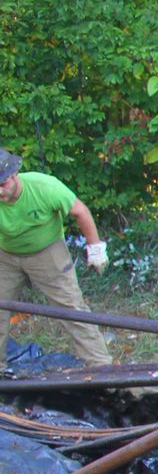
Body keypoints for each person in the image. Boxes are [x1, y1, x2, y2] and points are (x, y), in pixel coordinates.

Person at [0, 148, 112, 367]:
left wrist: (96, 248)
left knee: (71, 307)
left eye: (2, 184)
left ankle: (101, 366)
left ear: (14, 174)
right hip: (6, 255)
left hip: (48, 252)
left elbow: (80, 211)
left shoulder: (44, 187)